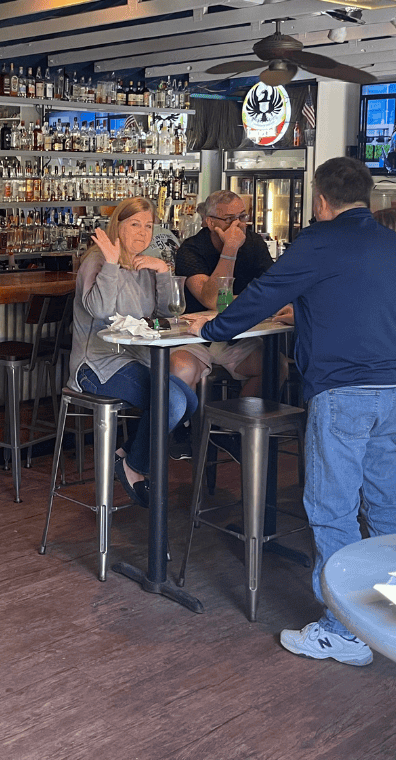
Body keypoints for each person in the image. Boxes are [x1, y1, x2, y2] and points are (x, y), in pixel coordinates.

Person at [186, 157, 396, 667]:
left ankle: (342, 629)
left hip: (343, 390)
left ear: (321, 200)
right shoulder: (390, 242)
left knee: (332, 509)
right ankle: (386, 615)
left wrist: (210, 331)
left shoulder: (319, 242)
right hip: (392, 390)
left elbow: (262, 295)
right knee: (388, 506)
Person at [68, 197, 198, 506]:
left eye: (148, 226)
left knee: (189, 401)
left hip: (135, 360)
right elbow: (99, 308)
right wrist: (111, 264)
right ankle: (133, 467)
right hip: (96, 367)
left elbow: (167, 312)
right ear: (118, 226)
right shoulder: (97, 261)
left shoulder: (144, 264)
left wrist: (163, 270)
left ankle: (126, 452)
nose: (142, 233)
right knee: (173, 402)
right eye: (134, 224)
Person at [171, 189, 279, 398]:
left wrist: (237, 303)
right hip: (193, 337)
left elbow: (270, 292)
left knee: (275, 367)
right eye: (230, 219)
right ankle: (186, 430)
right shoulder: (191, 249)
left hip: (236, 335)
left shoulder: (255, 244)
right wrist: (230, 249)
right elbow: (214, 300)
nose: (238, 224)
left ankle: (238, 426)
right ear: (211, 223)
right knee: (180, 369)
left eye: (242, 217)